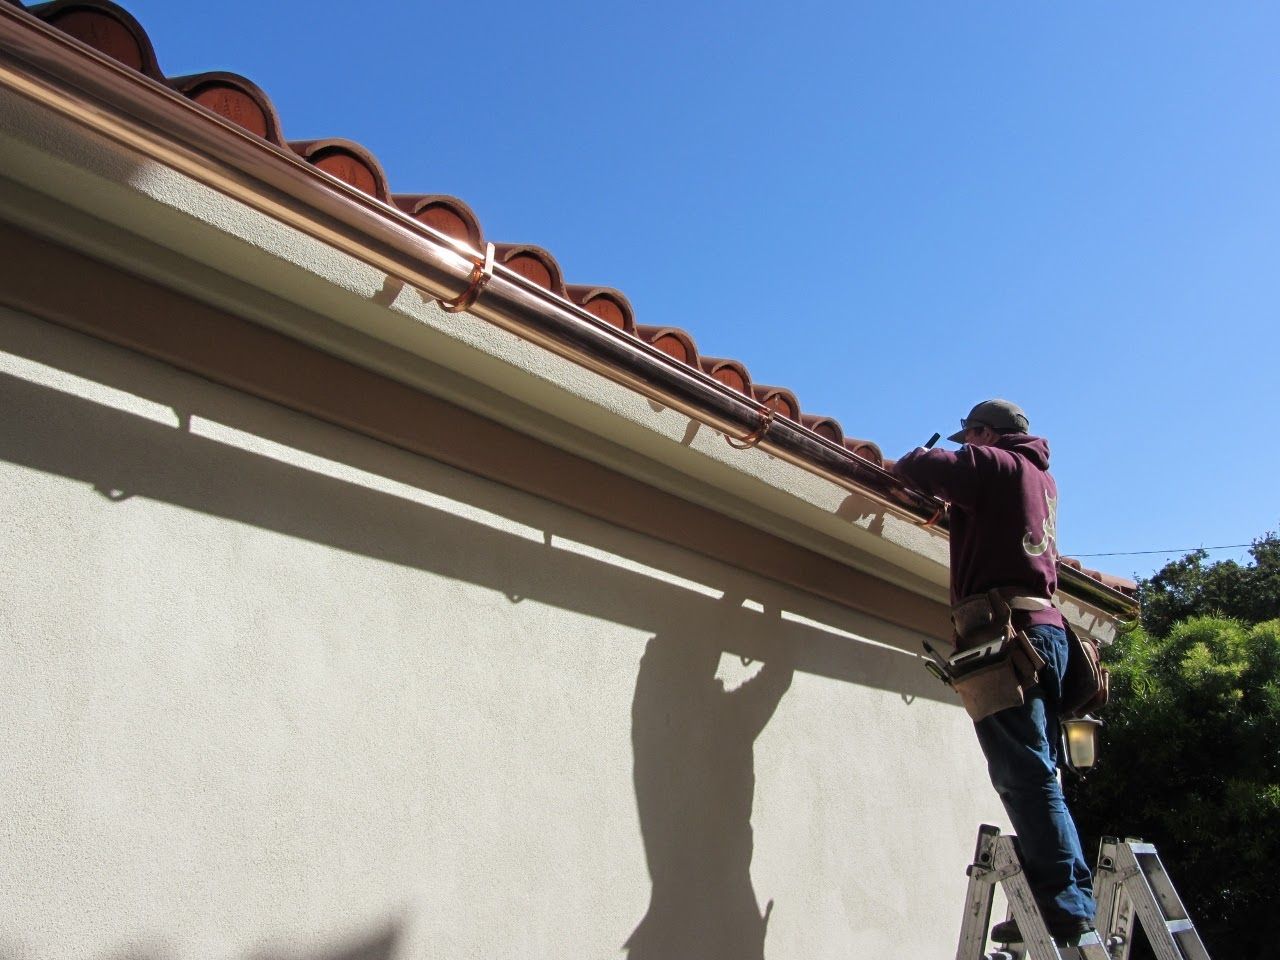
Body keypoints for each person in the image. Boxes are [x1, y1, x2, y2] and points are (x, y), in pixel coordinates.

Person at [891, 399, 1096, 946]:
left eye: (968, 438)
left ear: (987, 434)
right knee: (1040, 774)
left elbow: (914, 467)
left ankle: (1063, 908)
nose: (964, 448)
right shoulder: (1040, 481)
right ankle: (1065, 892)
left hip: (1009, 633)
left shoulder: (997, 465)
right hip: (1048, 634)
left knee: (1023, 775)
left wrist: (929, 452)